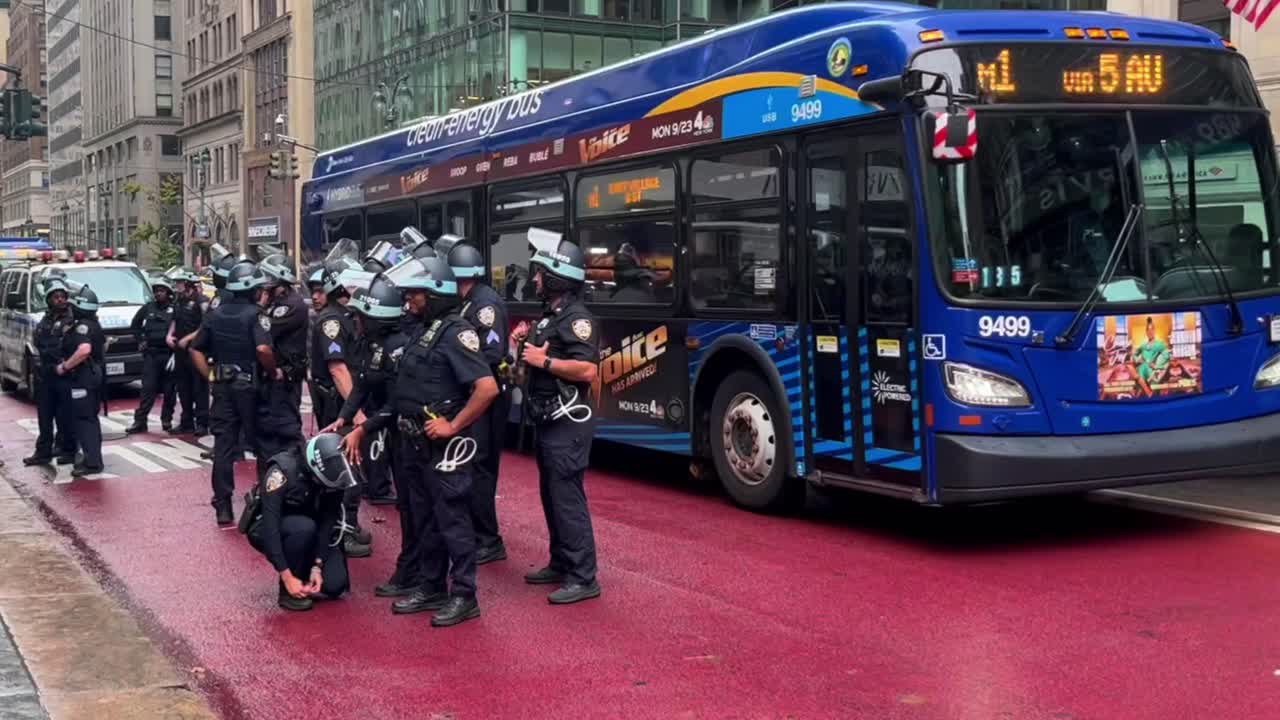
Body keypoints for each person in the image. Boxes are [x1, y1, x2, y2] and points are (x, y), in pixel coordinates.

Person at [346, 256, 498, 627]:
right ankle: (432, 586)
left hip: (444, 447)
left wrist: (452, 425)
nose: (409, 300)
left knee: (452, 519)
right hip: (414, 443)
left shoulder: (456, 332)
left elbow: (487, 388)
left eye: (415, 293)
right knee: (425, 518)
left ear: (435, 294)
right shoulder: (422, 331)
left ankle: (464, 595)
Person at [512, 230, 602, 605]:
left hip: (568, 424)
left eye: (539, 273)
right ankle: (561, 560)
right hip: (547, 420)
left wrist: (544, 361)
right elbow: (529, 367)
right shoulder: (550, 317)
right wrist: (521, 350)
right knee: (551, 494)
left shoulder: (578, 319)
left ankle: (584, 576)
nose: (533, 279)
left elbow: (587, 371)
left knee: (567, 496)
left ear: (556, 277)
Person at [326, 274, 410, 583]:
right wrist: (345, 416)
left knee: (412, 502)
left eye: (361, 317)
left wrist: (366, 427)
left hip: (403, 427)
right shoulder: (368, 344)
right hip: (382, 423)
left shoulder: (399, 348)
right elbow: (362, 384)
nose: (355, 322)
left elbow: (399, 401)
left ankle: (414, 570)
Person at [190, 260, 276, 525]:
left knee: (224, 448)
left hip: (223, 388)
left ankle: (224, 506)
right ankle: (267, 501)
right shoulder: (256, 315)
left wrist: (211, 377)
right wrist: (272, 372)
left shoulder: (215, 314)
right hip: (249, 388)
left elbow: (195, 348)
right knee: (262, 445)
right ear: (252, 289)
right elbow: (263, 350)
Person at [447, 240, 511, 564]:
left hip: (487, 396)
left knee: (482, 467)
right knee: (473, 464)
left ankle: (489, 539)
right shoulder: (467, 302)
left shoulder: (485, 306)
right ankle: (478, 531)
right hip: (475, 394)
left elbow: (491, 353)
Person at [244, 433, 355, 611]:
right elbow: (271, 527)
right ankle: (287, 592)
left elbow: (328, 522)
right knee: (303, 528)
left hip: (312, 529)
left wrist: (317, 566)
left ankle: (304, 571)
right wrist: (287, 577)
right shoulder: (281, 471)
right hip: (271, 528)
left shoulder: (334, 481)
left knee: (335, 585)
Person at [256, 254, 309, 473]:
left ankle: (299, 477)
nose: (267, 287)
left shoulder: (291, 305)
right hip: (273, 377)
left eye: (272, 283)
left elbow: (267, 328)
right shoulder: (277, 303)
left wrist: (260, 307)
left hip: (285, 377)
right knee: (269, 431)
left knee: (288, 431)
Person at [24, 276, 77, 466]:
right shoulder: (45, 320)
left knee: (66, 416)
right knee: (44, 416)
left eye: (62, 296)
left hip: (64, 374)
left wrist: (56, 354)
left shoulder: (73, 319)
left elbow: (68, 347)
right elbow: (39, 341)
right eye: (56, 297)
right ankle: (43, 452)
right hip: (46, 374)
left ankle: (68, 449)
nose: (60, 300)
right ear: (49, 299)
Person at [57, 284, 107, 478]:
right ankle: (92, 458)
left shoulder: (83, 327)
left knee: (85, 420)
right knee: (89, 419)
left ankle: (92, 462)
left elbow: (84, 350)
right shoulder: (92, 324)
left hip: (83, 378)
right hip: (91, 377)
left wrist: (65, 366)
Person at [126, 276, 177, 435]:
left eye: (161, 291)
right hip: (152, 355)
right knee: (148, 389)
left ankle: (166, 419)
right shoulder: (148, 308)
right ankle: (140, 421)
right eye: (156, 291)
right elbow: (135, 326)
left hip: (169, 355)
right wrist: (140, 340)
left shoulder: (174, 309)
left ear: (168, 293)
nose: (158, 294)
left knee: (169, 390)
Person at [167, 269, 210, 436]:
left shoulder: (202, 301)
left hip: (196, 350)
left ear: (188, 284)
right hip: (180, 352)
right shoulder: (178, 300)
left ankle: (202, 423)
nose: (177, 285)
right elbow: (175, 321)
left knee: (199, 388)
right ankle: (186, 422)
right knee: (183, 388)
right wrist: (170, 335)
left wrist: (188, 338)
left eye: (180, 282)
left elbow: (206, 325)